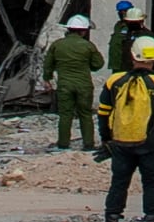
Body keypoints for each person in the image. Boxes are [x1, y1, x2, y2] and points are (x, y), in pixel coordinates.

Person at [100, 35, 154, 222]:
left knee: (118, 183)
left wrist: (106, 138)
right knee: (152, 184)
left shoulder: (114, 80)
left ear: (132, 56)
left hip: (120, 142)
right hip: (151, 144)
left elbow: (103, 112)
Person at [44, 10, 107, 152]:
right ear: (83, 31)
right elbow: (98, 64)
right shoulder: (88, 46)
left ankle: (63, 144)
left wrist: (47, 79)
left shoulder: (57, 45)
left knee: (65, 114)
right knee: (85, 114)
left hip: (64, 85)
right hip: (84, 85)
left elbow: (48, 64)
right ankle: (88, 144)